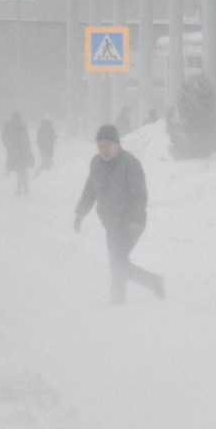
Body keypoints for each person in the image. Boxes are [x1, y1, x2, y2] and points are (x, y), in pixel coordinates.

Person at [74, 124, 164, 304]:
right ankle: (120, 301)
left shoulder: (130, 164)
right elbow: (90, 189)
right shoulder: (96, 163)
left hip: (129, 223)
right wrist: (81, 212)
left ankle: (146, 286)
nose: (104, 150)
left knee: (118, 262)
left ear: (117, 144)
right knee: (117, 263)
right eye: (100, 146)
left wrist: (136, 221)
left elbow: (139, 195)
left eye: (107, 145)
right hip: (110, 223)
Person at [2, 112, 34, 195]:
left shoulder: (9, 125)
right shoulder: (21, 125)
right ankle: (24, 188)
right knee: (22, 170)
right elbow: (26, 138)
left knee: (19, 170)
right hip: (22, 151)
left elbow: (4, 137)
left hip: (14, 151)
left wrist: (8, 147)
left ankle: (21, 188)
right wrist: (27, 148)